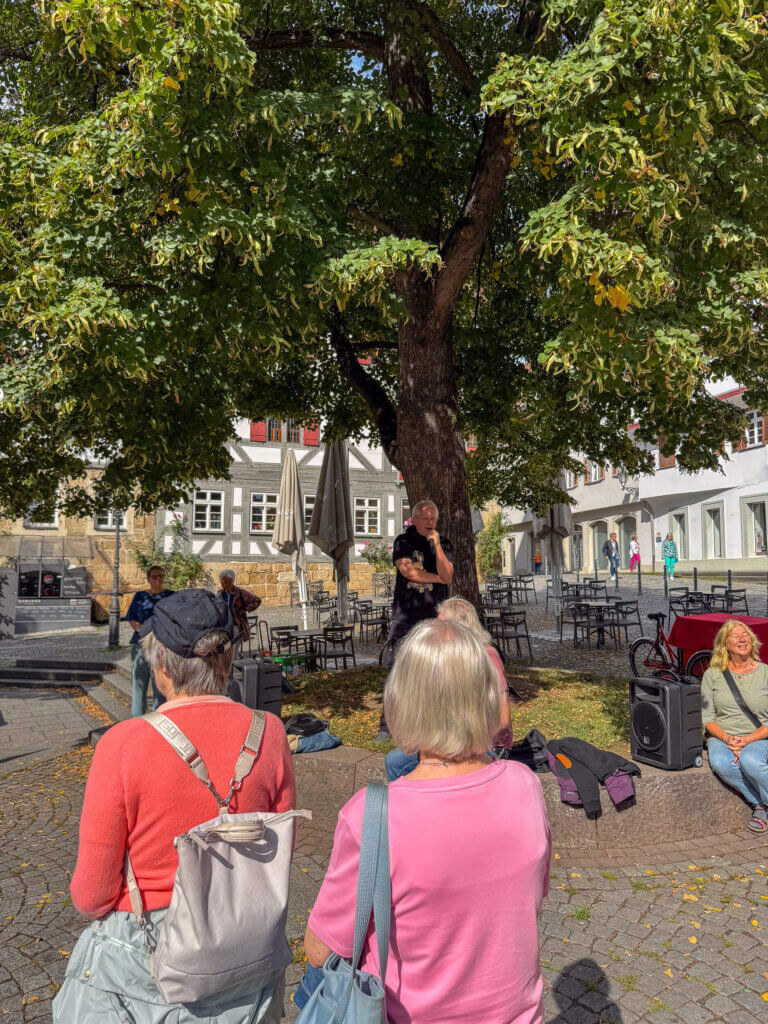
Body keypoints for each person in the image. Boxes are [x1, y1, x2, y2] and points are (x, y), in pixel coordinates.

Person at [54, 589, 294, 1022]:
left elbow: (91, 896)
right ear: (226, 659)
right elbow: (279, 851)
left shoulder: (123, 743)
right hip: (247, 947)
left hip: (147, 955)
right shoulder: (270, 733)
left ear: (160, 663)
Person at [303, 618, 551, 1024]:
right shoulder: (526, 787)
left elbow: (321, 948)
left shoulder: (373, 814)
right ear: (487, 696)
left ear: (402, 699)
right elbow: (531, 898)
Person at [385, 596, 513, 781]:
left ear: (459, 627)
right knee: (394, 761)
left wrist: (464, 744)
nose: (435, 626)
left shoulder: (485, 656)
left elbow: (502, 719)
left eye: (442, 623)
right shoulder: (450, 659)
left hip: (485, 742)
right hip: (455, 737)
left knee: (402, 763)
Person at [376, 498, 454, 741]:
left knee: (436, 671)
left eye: (433, 518)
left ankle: (431, 724)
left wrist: (437, 546)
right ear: (416, 519)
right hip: (406, 617)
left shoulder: (444, 542)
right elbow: (407, 571)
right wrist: (438, 578)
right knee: (398, 670)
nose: (430, 522)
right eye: (426, 518)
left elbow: (448, 574)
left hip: (436, 617)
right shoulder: (404, 541)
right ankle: (387, 726)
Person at [702, 620, 768, 834]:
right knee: (721, 762)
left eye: (746, 634)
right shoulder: (712, 674)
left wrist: (747, 741)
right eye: (735, 635)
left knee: (751, 760)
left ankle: (761, 808)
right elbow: (707, 716)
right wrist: (728, 739)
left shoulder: (765, 673)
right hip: (723, 736)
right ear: (725, 645)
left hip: (760, 735)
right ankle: (759, 803)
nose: (742, 638)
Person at [125, 565, 174, 717]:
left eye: (161, 576)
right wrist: (137, 627)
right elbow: (132, 617)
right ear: (148, 579)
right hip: (141, 644)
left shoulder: (171, 596)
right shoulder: (140, 596)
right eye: (155, 577)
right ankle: (136, 718)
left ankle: (159, 717)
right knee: (139, 683)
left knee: (159, 685)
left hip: (161, 645)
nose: (158, 579)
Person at [217, 568, 262, 653]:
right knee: (225, 651)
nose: (221, 583)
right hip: (223, 627)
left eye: (223, 580)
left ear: (230, 580)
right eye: (221, 581)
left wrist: (245, 609)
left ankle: (234, 664)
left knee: (233, 651)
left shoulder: (240, 593)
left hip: (235, 625)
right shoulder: (219, 593)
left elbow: (256, 600)